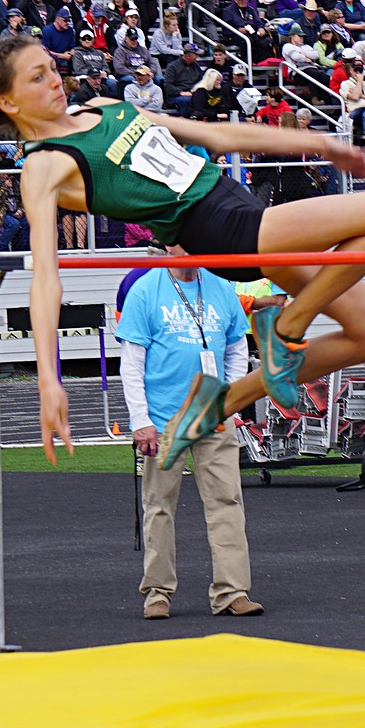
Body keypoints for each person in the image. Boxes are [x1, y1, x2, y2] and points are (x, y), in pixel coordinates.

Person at [0, 35, 365, 467]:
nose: (54, 80)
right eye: (36, 77)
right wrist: (49, 380)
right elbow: (46, 278)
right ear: (9, 102)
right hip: (216, 229)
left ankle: (223, 401)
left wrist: (320, 144)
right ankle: (287, 327)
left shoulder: (102, 107)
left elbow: (214, 136)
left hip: (235, 202)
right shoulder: (44, 164)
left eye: (51, 68)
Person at [117, 249, 263, 619]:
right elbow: (131, 363)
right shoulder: (145, 290)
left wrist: (227, 400)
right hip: (164, 419)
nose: (190, 248)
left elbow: (235, 349)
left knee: (227, 501)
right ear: (168, 245)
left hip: (212, 415)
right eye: (182, 241)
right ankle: (157, 593)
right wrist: (140, 420)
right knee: (159, 506)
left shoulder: (220, 289)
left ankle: (233, 591)